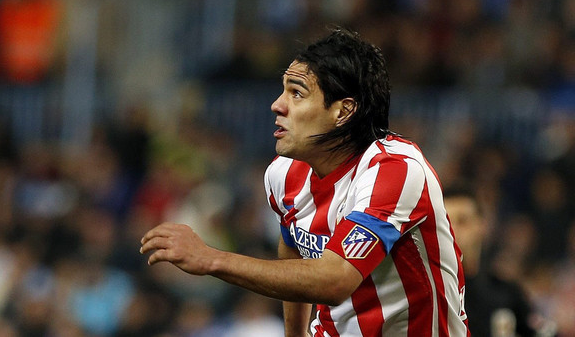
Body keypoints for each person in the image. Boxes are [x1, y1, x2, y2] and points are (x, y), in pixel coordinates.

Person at [140, 28, 466, 336]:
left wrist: (211, 258)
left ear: (343, 111)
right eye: (283, 90)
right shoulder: (284, 173)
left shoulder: (396, 172)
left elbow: (335, 280)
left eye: (297, 93)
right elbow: (293, 249)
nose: (277, 105)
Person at [444, 185, 553, 337]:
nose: (453, 230)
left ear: (482, 225)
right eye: (446, 223)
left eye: (463, 221)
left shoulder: (505, 294)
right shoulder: (434, 296)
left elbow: (546, 332)